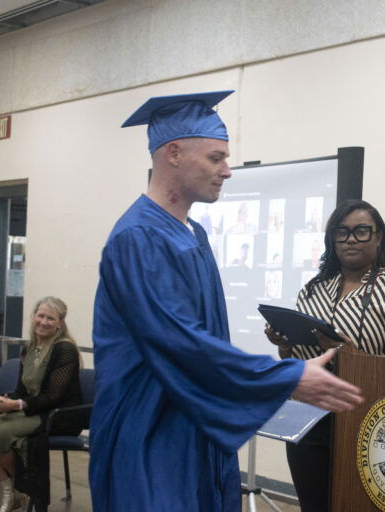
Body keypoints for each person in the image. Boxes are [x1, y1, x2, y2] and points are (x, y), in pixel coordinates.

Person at [90, 90, 362, 512]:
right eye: (216, 158)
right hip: (149, 432)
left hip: (194, 426)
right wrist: (283, 377)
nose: (227, 171)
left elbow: (201, 338)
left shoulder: (192, 235)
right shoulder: (138, 238)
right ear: (174, 153)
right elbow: (178, 343)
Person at [265, 198, 385, 511]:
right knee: (314, 503)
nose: (351, 239)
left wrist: (353, 357)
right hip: (308, 416)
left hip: (367, 418)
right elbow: (298, 359)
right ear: (332, 239)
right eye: (342, 232)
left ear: (379, 237)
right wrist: (284, 345)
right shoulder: (313, 289)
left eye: (362, 231)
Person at [0, 297, 82, 512]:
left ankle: (24, 490)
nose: (43, 321)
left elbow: (53, 397)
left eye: (50, 318)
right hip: (31, 408)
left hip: (56, 414)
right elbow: (22, 390)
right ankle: (10, 491)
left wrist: (16, 405)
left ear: (60, 323)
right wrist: (4, 400)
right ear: (33, 317)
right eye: (40, 316)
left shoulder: (65, 350)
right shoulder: (30, 347)